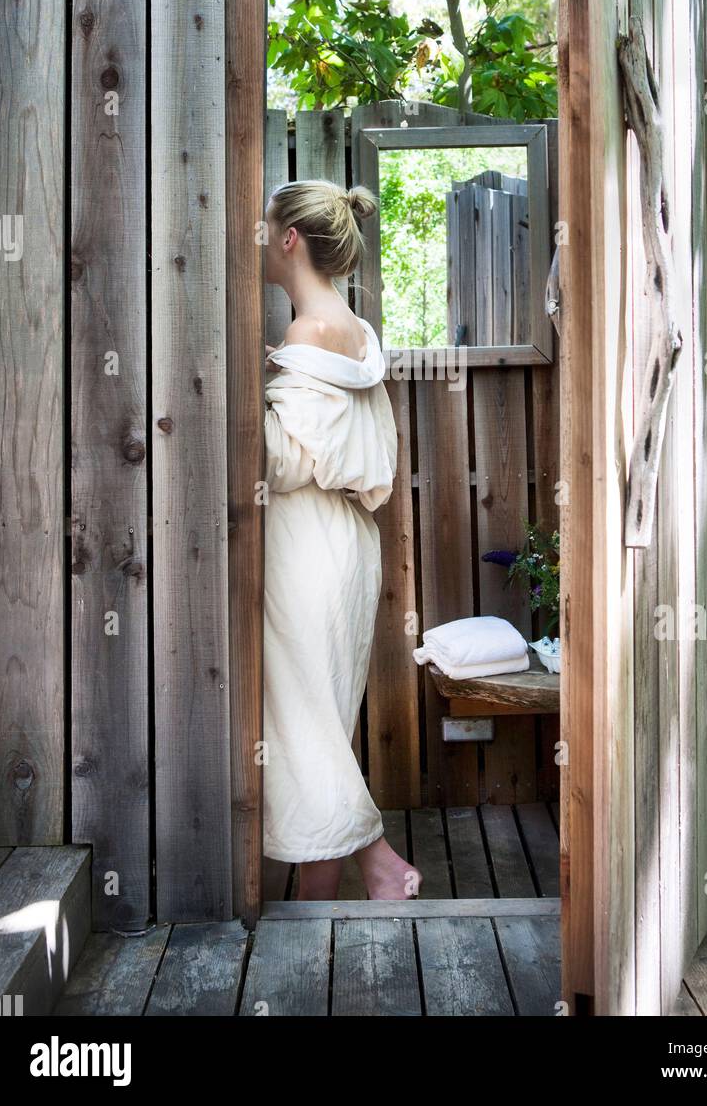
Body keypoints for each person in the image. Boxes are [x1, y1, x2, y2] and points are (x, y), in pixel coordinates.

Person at [261, 178, 423, 901]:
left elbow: (286, 459)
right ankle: (319, 903)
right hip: (351, 543)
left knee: (305, 723)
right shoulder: (355, 330)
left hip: (305, 545)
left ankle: (378, 860)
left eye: (269, 227)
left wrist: (250, 403)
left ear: (289, 238)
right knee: (322, 720)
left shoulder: (307, 334)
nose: (263, 239)